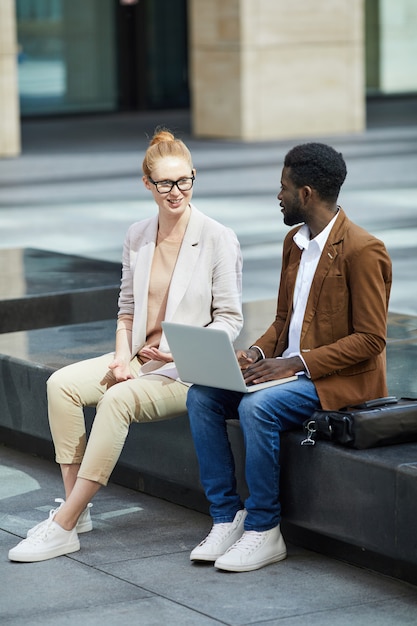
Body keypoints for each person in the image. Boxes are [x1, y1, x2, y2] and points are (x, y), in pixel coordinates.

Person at [9, 128, 243, 563]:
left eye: (185, 181)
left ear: (194, 176)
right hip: (137, 357)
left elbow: (231, 319)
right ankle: (76, 513)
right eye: (165, 184)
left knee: (116, 402)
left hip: (186, 369)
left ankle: (62, 525)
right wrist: (120, 357)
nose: (176, 192)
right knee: (61, 385)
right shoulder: (138, 234)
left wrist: (179, 352)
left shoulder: (216, 237)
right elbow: (127, 309)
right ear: (147, 185)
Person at [186, 142, 392, 573]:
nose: (277, 195)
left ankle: (264, 529)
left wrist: (295, 363)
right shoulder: (293, 243)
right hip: (290, 375)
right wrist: (257, 352)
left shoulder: (363, 250)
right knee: (203, 395)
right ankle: (227, 518)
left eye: (282, 188)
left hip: (337, 382)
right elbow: (284, 319)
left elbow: (371, 339)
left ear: (306, 194)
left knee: (255, 406)